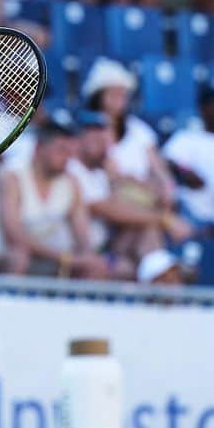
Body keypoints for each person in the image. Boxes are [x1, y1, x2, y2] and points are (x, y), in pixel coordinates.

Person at [69, 108, 190, 275]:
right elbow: (107, 208)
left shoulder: (100, 171)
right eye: (92, 134)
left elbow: (140, 193)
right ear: (77, 139)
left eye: (103, 134)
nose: (100, 139)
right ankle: (163, 277)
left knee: (146, 228)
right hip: (82, 251)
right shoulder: (73, 169)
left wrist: (157, 190)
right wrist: (164, 219)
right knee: (146, 228)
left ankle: (163, 276)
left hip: (110, 244)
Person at [0, 110, 107, 278]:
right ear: (39, 147)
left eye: (70, 152)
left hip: (48, 258)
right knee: (18, 258)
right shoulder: (12, 176)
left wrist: (87, 257)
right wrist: (64, 258)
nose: (67, 158)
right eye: (61, 150)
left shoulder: (71, 182)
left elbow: (83, 237)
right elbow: (14, 237)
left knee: (94, 266)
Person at [82, 58, 177, 216]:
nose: (119, 98)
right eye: (113, 93)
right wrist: (146, 187)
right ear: (98, 96)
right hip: (112, 201)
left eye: (123, 94)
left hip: (147, 197)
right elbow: (112, 176)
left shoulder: (139, 129)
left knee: (151, 223)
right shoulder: (90, 132)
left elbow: (158, 168)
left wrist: (166, 187)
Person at [163, 84, 214, 235]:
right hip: (191, 215)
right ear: (202, 108)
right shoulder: (187, 137)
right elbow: (165, 162)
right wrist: (185, 171)